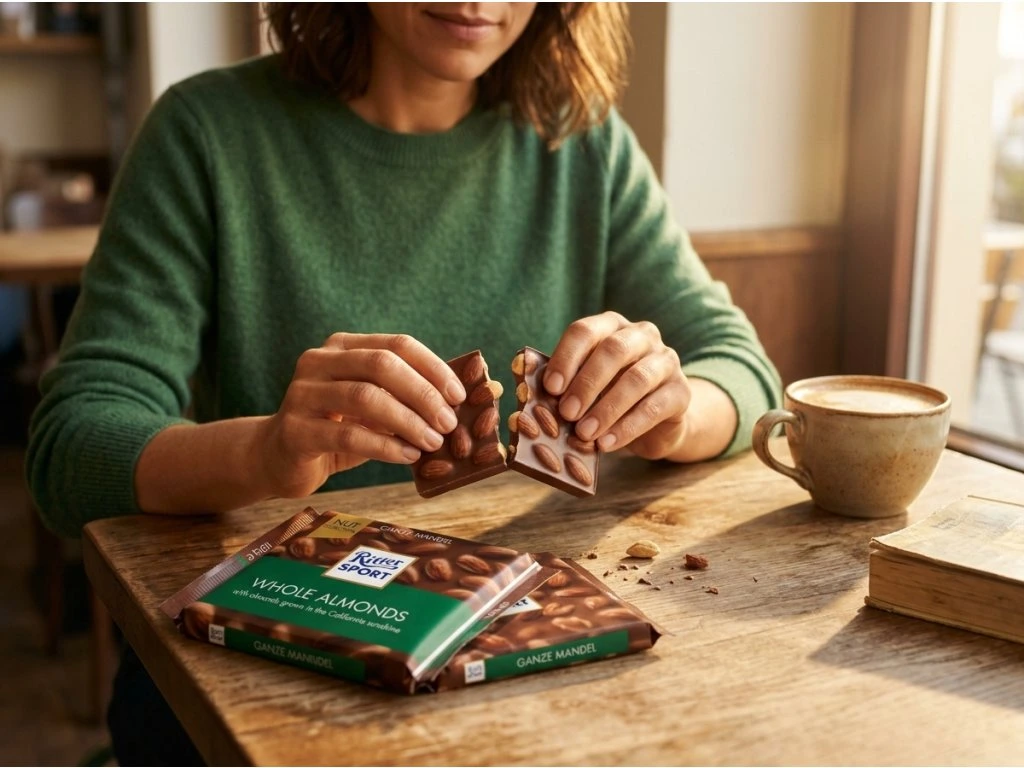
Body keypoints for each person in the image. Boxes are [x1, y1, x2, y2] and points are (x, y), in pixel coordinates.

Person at [26, 2, 781, 764]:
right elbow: (71, 448)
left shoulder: (582, 143)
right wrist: (267, 454)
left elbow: (742, 370)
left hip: (525, 684)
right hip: (259, 686)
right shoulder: (207, 133)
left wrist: (673, 413)